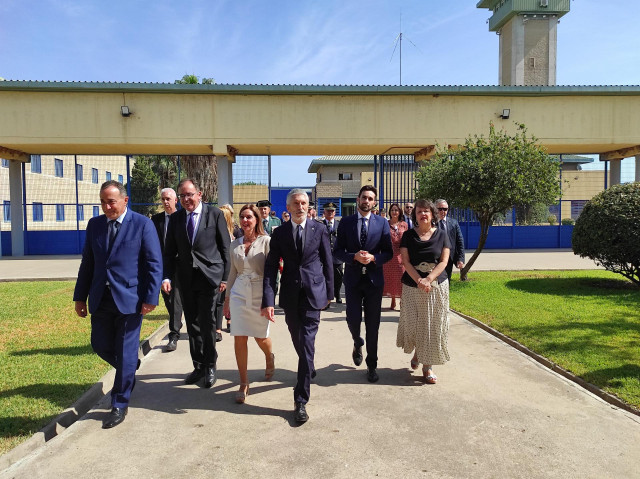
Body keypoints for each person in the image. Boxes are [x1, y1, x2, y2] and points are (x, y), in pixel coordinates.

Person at [73, 180, 162, 429]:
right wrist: (80, 297)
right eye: (102, 202)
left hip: (131, 300)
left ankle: (119, 404)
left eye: (111, 201)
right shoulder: (95, 225)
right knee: (99, 344)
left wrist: (151, 298)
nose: (106, 206)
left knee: (124, 350)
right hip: (100, 297)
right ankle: (129, 368)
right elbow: (88, 263)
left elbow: (154, 263)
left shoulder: (142, 224)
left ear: (125, 200)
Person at [261, 188, 333, 423]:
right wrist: (268, 300)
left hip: (314, 292)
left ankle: (300, 400)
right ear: (288, 208)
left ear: (308, 205)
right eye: (296, 203)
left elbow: (327, 261)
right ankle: (308, 364)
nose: (301, 207)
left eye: (304, 203)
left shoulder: (319, 229)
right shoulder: (279, 233)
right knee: (298, 339)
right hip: (290, 296)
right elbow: (271, 267)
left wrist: (330, 292)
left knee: (307, 341)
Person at [162, 178, 230, 388]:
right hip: (186, 279)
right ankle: (198, 365)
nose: (186, 199)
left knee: (207, 322)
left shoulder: (214, 214)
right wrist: (166, 276)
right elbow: (169, 252)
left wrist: (225, 278)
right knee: (192, 324)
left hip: (209, 277)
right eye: (182, 196)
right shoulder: (176, 219)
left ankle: (210, 365)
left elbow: (225, 248)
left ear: (199, 194)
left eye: (189, 194)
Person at [334, 185, 392, 383]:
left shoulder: (382, 223)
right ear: (358, 199)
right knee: (353, 319)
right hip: (352, 280)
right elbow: (337, 251)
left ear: (374, 202)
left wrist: (374, 258)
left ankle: (372, 365)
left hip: (374, 281)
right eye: (364, 197)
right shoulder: (346, 223)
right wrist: (354, 257)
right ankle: (357, 342)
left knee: (373, 325)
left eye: (370, 198)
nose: (367, 201)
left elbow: (388, 252)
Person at [224, 204, 274, 403]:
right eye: (242, 217)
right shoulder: (234, 244)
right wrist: (227, 299)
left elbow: (272, 273)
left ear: (256, 220)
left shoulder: (266, 241)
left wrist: (269, 300)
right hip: (238, 293)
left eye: (249, 217)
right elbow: (233, 273)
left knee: (260, 337)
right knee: (239, 337)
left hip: (260, 292)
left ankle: (269, 356)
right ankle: (244, 383)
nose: (245, 221)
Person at [396, 199, 450, 384]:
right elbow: (406, 261)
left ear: (433, 214)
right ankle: (418, 353)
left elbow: (443, 261)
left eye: (426, 211)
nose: (423, 214)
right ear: (415, 215)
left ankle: (428, 367)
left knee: (432, 326)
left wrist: (428, 279)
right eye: (419, 212)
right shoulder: (408, 236)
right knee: (414, 324)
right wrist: (418, 279)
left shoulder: (442, 234)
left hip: (436, 286)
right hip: (412, 286)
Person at [151, 188, 184, 352]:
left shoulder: (184, 217)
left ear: (175, 200)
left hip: (184, 266)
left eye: (168, 199)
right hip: (164, 266)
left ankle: (174, 334)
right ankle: (177, 322)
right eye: (163, 199)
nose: (165, 202)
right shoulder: (156, 220)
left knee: (178, 300)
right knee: (170, 300)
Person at [216, 204, 239, 338]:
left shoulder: (235, 231)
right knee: (220, 299)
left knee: (230, 297)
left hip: (233, 267)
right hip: (220, 268)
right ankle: (218, 328)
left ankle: (230, 320)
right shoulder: (213, 230)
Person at [383, 203, 408, 310]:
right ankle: (393, 300)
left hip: (400, 255)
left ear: (399, 212)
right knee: (391, 279)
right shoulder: (385, 224)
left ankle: (402, 301)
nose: (394, 212)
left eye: (396, 210)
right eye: (392, 210)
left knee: (401, 278)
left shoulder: (404, 225)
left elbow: (407, 240)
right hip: (389, 256)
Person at [435, 199, 465, 280]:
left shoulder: (453, 223)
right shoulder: (431, 223)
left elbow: (460, 241)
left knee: (446, 281)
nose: (442, 211)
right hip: (434, 259)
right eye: (440, 209)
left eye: (445, 209)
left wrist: (460, 259)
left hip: (449, 258)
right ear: (435, 209)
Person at [321, 202, 344, 304]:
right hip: (324, 256)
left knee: (338, 276)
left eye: (332, 211)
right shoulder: (320, 224)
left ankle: (337, 293)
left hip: (337, 256)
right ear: (324, 212)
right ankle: (327, 296)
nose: (330, 213)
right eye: (328, 211)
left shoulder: (340, 225)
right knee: (325, 276)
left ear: (335, 213)